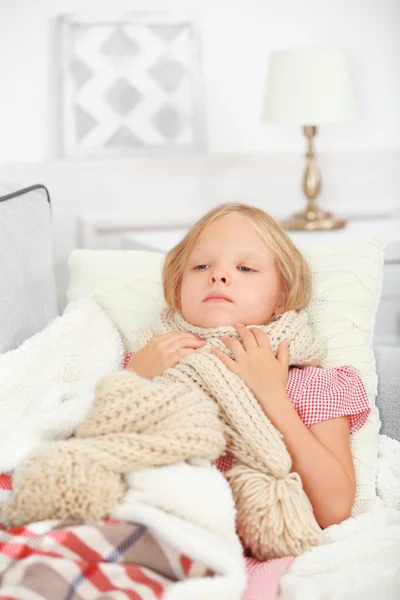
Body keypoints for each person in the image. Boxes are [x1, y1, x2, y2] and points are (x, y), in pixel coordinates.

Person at [124, 202, 370, 531]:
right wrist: (132, 382)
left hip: (256, 542)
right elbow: (95, 454)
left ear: (281, 298)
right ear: (177, 289)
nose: (218, 275)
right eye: (200, 266)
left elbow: (335, 509)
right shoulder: (147, 363)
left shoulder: (312, 386)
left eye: (246, 269)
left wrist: (271, 396)